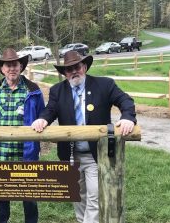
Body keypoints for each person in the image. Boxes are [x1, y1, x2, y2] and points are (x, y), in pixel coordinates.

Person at [31, 51, 136, 223]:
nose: (74, 71)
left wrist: (127, 118)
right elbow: (50, 110)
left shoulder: (104, 85)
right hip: (71, 155)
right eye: (69, 69)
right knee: (77, 195)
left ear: (84, 67)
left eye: (77, 67)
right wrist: (42, 119)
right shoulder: (58, 90)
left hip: (96, 154)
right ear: (64, 73)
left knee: (94, 196)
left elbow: (125, 101)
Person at [0, 48, 45, 223]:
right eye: (8, 65)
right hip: (0, 153)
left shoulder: (33, 90)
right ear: (2, 69)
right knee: (1, 197)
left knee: (30, 198)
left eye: (15, 65)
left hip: (26, 153)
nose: (12, 68)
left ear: (20, 67)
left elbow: (42, 115)